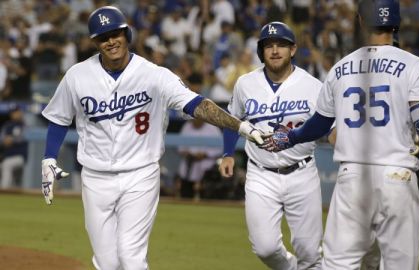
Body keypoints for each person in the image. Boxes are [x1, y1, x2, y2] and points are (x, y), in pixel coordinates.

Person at [40, 6, 265, 270]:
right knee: (107, 262)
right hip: (96, 177)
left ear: (127, 34)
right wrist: (49, 158)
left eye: (116, 33)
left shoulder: (154, 75)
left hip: (140, 174)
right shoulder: (77, 76)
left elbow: (197, 104)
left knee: (131, 257)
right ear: (95, 42)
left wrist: (240, 127)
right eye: (103, 37)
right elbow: (58, 118)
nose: (111, 41)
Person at [260, 1, 419, 269]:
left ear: (361, 22)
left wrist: (290, 137)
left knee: (338, 265)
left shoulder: (341, 68)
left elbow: (319, 124)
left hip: (352, 180)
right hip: (397, 178)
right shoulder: (413, 65)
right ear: (396, 24)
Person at [219, 21, 324, 269]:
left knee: (309, 252)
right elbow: (231, 120)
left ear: (293, 50)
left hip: (302, 172)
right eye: (269, 45)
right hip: (260, 173)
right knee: (265, 248)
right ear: (261, 51)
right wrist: (227, 153)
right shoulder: (245, 83)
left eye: (281, 45)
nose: (275, 50)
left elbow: (328, 127)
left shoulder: (314, 86)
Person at [0, 106, 27, 189]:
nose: (15, 114)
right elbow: (1, 139)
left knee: (6, 165)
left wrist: (12, 139)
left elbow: (25, 136)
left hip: (20, 156)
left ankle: (4, 191)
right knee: (16, 180)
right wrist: (5, 140)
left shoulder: (24, 125)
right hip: (7, 156)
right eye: (13, 112)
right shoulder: (8, 125)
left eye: (16, 112)